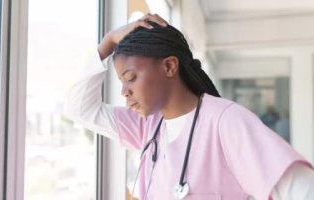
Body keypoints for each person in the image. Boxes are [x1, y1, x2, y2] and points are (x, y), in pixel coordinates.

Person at [63, 14, 314, 200]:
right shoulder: (147, 128)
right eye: (121, 81)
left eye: (130, 78)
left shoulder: (225, 122)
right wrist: (107, 42)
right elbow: (79, 108)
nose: (124, 91)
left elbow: (304, 191)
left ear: (170, 67)